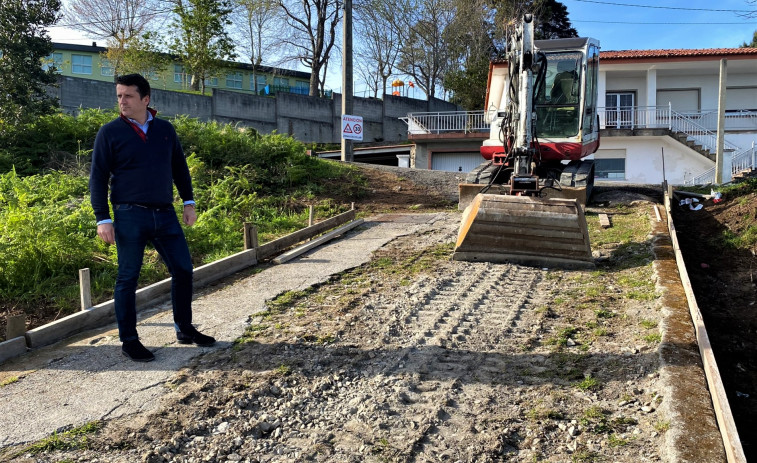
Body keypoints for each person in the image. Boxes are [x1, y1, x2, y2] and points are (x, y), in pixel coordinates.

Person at [90, 73, 215, 362]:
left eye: (128, 96)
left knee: (183, 269)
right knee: (128, 277)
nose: (122, 101)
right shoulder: (109, 133)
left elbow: (179, 168)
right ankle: (129, 341)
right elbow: (97, 178)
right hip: (129, 215)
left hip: (165, 215)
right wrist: (102, 218)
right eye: (119, 95)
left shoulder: (165, 130)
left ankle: (184, 328)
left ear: (145, 99)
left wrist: (189, 201)